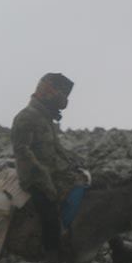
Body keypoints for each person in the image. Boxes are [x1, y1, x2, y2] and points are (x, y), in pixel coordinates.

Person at [13, 73, 84, 253]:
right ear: (49, 92)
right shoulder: (26, 117)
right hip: (35, 179)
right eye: (61, 95)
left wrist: (74, 165)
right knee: (50, 217)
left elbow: (56, 150)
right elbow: (23, 153)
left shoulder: (46, 119)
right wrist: (46, 183)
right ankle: (51, 260)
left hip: (53, 174)